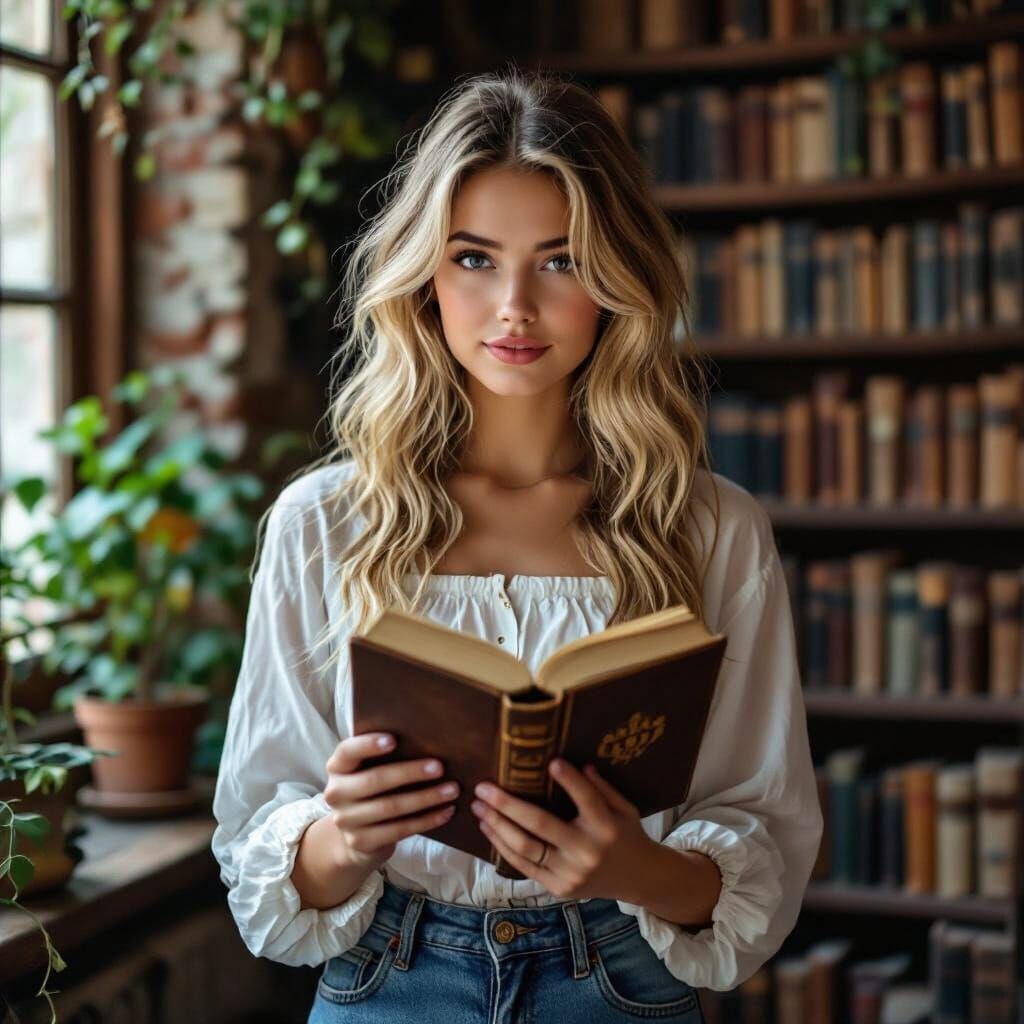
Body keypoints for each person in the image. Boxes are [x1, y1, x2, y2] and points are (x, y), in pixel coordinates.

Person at [211, 66, 823, 1023]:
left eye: (561, 260)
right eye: (474, 258)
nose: (514, 307)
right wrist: (346, 836)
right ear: (423, 274)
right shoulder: (325, 523)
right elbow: (262, 857)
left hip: (622, 986)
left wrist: (634, 867)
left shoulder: (711, 528)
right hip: (387, 984)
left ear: (616, 279)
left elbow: (766, 840)